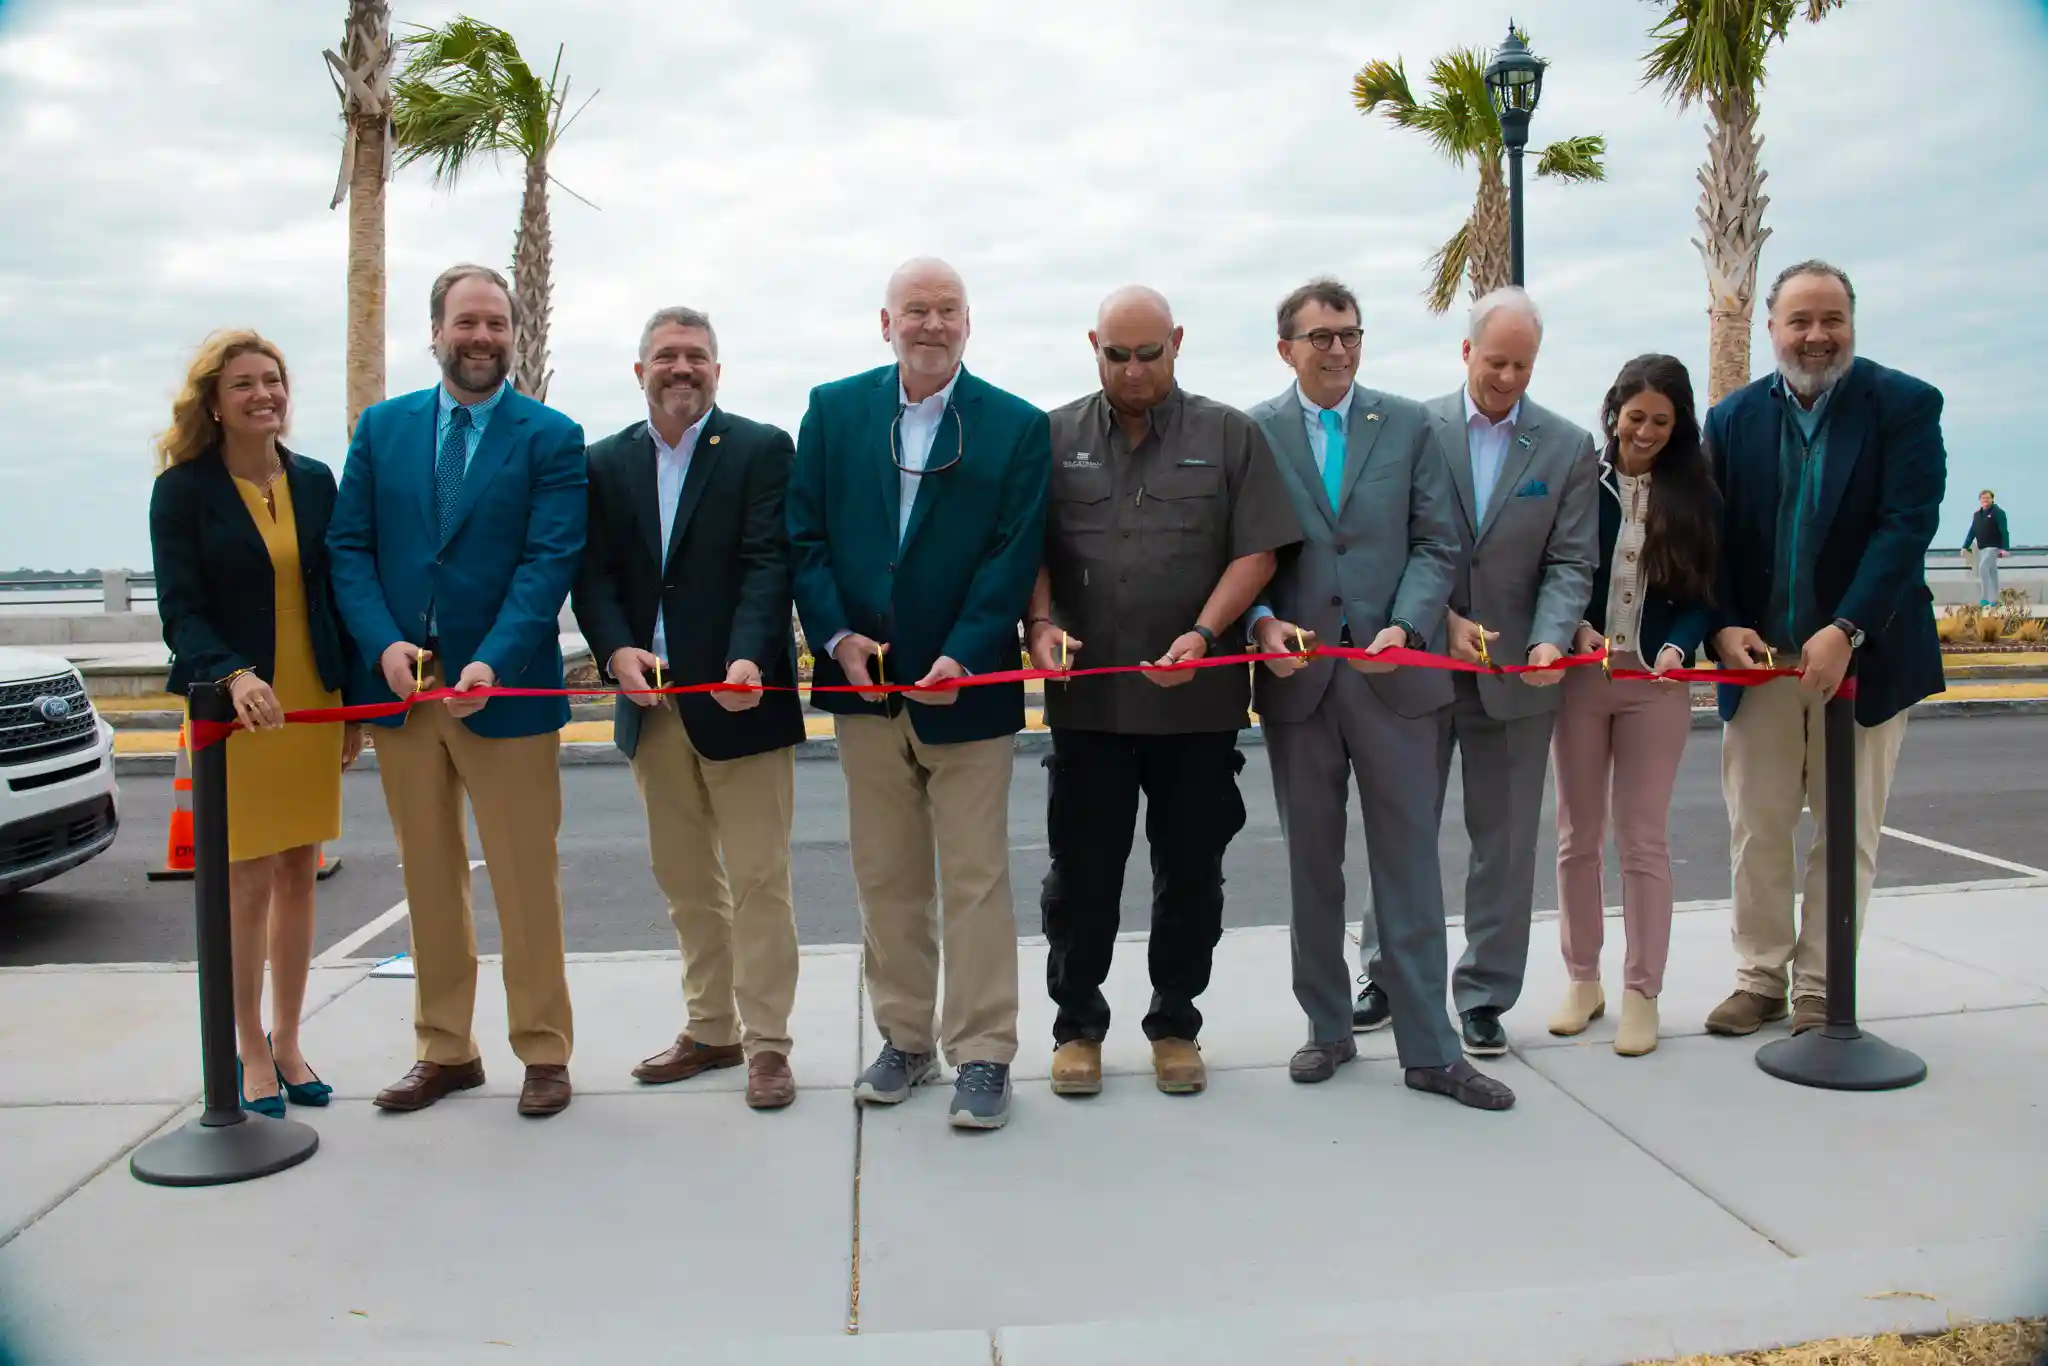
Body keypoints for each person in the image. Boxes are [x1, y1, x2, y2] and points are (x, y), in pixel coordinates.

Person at [787, 257, 1049, 1131]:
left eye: (947, 310)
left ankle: (984, 1053)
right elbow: (805, 538)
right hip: (864, 690)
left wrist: (965, 655)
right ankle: (905, 1039)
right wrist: (836, 638)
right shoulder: (833, 411)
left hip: (966, 694)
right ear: (886, 323)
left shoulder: (1015, 426)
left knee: (975, 879)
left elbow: (1012, 555)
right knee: (886, 876)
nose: (931, 324)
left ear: (968, 323)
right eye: (915, 310)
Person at [1026, 285, 1300, 1100]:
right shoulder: (1053, 438)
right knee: (1082, 876)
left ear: (1177, 342)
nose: (1134, 370)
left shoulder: (1229, 435)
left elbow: (1257, 552)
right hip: (1090, 707)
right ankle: (1077, 1027)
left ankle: (1176, 1023)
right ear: (1094, 347)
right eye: (1117, 355)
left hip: (1197, 706)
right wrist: (1039, 625)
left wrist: (1207, 635)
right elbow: (1029, 549)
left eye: (1150, 354)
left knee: (1190, 873)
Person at [328, 263, 588, 1117]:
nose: (482, 338)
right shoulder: (382, 429)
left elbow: (549, 560)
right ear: (435, 332)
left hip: (503, 694)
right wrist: (382, 645)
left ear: (515, 335)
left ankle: (543, 1051)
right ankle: (444, 1050)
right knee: (429, 879)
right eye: (466, 322)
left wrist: (496, 661)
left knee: (524, 880)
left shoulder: (551, 436)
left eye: (496, 324)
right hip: (405, 695)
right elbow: (349, 549)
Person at [1244, 279, 1511, 1109]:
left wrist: (1406, 624)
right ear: (1286, 348)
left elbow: (1437, 542)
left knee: (1409, 870)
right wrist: (1259, 622)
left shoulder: (1407, 424)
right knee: (1311, 869)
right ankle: (1327, 1029)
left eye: (1350, 334)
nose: (1338, 349)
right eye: (1321, 336)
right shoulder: (1254, 433)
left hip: (1397, 680)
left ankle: (1431, 1050)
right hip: (1299, 685)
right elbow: (1242, 550)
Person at [571, 306, 806, 1110]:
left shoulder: (761, 449)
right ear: (639, 371)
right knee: (685, 882)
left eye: (696, 356)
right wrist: (615, 651)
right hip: (652, 705)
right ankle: (711, 1029)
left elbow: (769, 563)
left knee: (760, 881)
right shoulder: (603, 463)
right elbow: (593, 575)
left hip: (743, 698)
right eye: (667, 356)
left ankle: (768, 1044)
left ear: (717, 371)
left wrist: (749, 656)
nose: (682, 368)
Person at [1705, 259, 1947, 1038]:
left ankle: (1821, 986)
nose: (1817, 336)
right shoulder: (1731, 419)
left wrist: (1846, 628)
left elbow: (1906, 528)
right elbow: (1712, 539)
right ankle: (1759, 979)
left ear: (1852, 324)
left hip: (1864, 661)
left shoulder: (1904, 405)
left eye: (1831, 319)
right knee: (1759, 826)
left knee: (1847, 831)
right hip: (1762, 665)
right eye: (1801, 320)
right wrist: (1722, 625)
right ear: (1772, 327)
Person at [1365, 286, 1597, 1059]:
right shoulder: (1413, 429)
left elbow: (1571, 561)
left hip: (1521, 677)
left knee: (1505, 844)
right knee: (1403, 829)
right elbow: (1393, 543)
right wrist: (1438, 620)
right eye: (1496, 362)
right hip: (1422, 665)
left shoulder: (1566, 446)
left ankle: (1485, 995)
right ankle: (1386, 976)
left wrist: (1551, 639)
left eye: (1523, 366)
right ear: (1466, 352)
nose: (1507, 378)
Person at [149, 330, 363, 1117]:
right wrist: (233, 673)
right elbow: (181, 612)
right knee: (245, 881)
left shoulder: (315, 480)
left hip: (312, 697)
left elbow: (336, 594)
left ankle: (290, 1038)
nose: (262, 394)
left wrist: (351, 706)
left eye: (272, 379)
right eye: (243, 383)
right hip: (236, 707)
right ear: (213, 401)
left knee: (300, 871)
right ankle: (247, 1046)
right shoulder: (182, 491)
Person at [1547, 354, 1719, 1058]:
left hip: (1657, 687)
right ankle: (1582, 981)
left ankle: (1642, 992)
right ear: (1613, 411)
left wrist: (1679, 646)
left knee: (1643, 840)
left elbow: (1703, 594)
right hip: (1581, 680)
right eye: (1635, 416)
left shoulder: (1696, 494)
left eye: (1661, 422)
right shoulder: (1580, 484)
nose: (1644, 432)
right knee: (1576, 837)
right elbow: (1556, 571)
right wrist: (1572, 630)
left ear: (1678, 427)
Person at [1961, 489, 2010, 607]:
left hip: (1994, 547)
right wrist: (1965, 546)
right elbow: (1972, 531)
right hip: (1981, 548)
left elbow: (2004, 531)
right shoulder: (1977, 515)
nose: (1985, 500)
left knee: (1983, 567)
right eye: (1983, 498)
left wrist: (2005, 548)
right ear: (1980, 500)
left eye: (1988, 498)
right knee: (1992, 572)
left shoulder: (1998, 513)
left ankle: (1985, 598)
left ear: (1992, 499)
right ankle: (1996, 600)